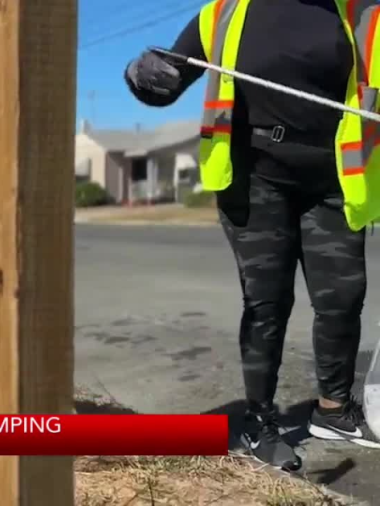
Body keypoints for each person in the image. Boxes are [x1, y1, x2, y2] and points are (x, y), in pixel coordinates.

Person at [124, 0, 380, 471]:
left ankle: (334, 411)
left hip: (334, 181)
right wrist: (144, 76)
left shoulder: (368, 15)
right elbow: (166, 82)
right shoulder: (222, 14)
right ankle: (259, 421)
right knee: (268, 301)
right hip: (256, 178)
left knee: (343, 296)